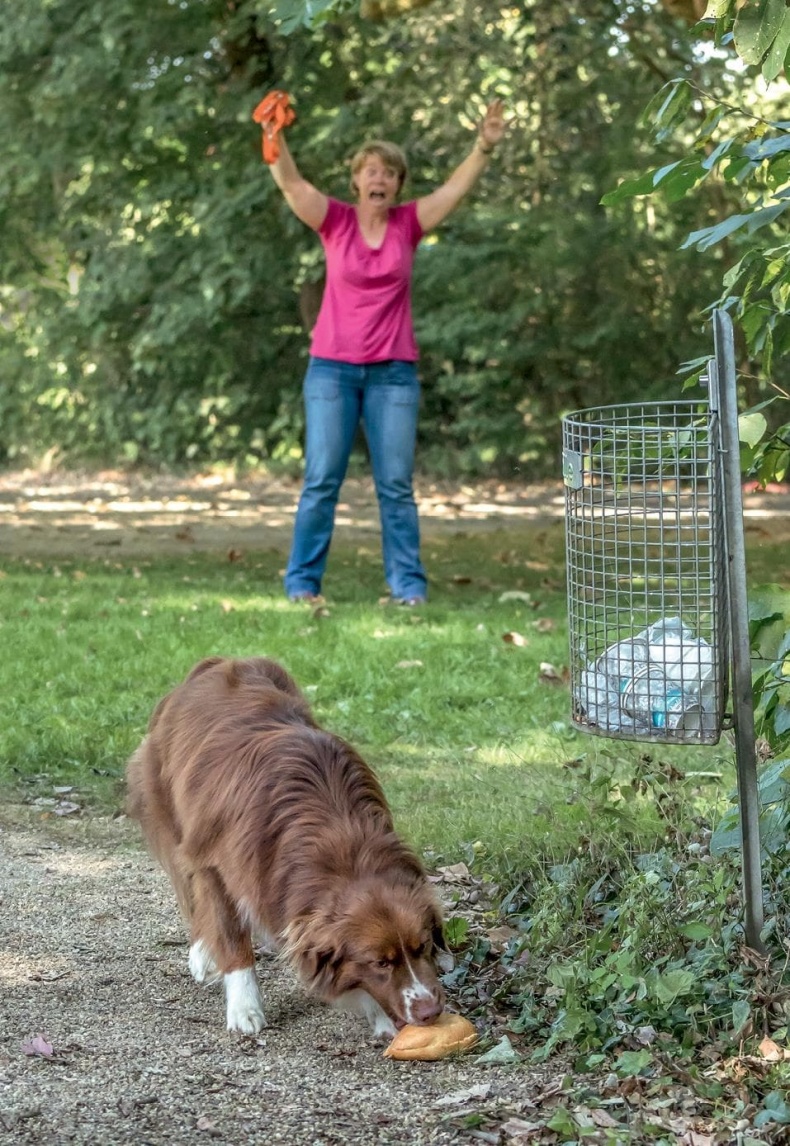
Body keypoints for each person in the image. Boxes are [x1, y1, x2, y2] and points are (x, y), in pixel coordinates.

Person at [269, 98, 505, 605]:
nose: (380, 179)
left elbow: (454, 188)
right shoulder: (334, 221)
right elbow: (292, 184)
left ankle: (408, 588)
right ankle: (301, 585)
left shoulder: (408, 224)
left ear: (398, 184)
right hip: (331, 370)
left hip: (393, 374)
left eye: (390, 172)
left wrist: (483, 145)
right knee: (320, 481)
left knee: (395, 486)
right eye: (371, 170)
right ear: (356, 180)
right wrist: (274, 136)